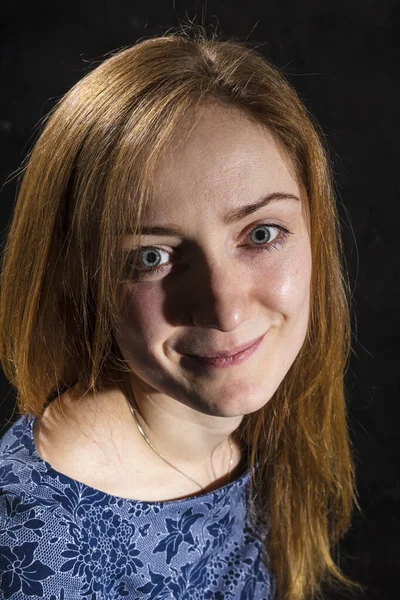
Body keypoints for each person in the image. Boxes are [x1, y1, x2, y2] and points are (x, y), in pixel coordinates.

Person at [0, 26, 365, 600]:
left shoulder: (254, 432)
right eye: (152, 257)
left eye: (262, 233)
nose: (224, 308)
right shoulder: (37, 554)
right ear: (80, 279)